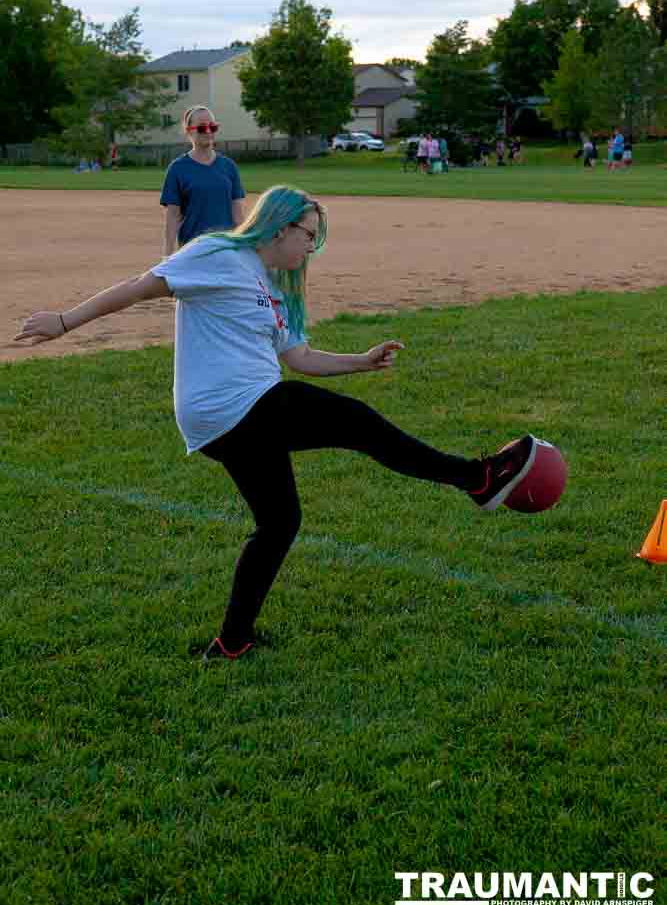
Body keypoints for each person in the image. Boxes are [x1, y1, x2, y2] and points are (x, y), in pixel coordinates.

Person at [15, 185, 538, 663]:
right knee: (358, 424)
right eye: (308, 235)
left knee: (280, 521)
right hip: (232, 404)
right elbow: (138, 287)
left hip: (238, 415)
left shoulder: (277, 288)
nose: (310, 247)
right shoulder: (220, 254)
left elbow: (300, 357)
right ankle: (478, 477)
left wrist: (361, 360)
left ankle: (233, 641)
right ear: (280, 225)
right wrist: (64, 322)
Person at [161, 105, 245, 257]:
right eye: (201, 128)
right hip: (193, 250)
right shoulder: (178, 168)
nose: (208, 131)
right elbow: (173, 216)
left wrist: (245, 249)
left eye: (212, 127)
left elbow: (238, 216)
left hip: (226, 249)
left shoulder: (228, 166)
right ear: (189, 131)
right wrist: (167, 254)